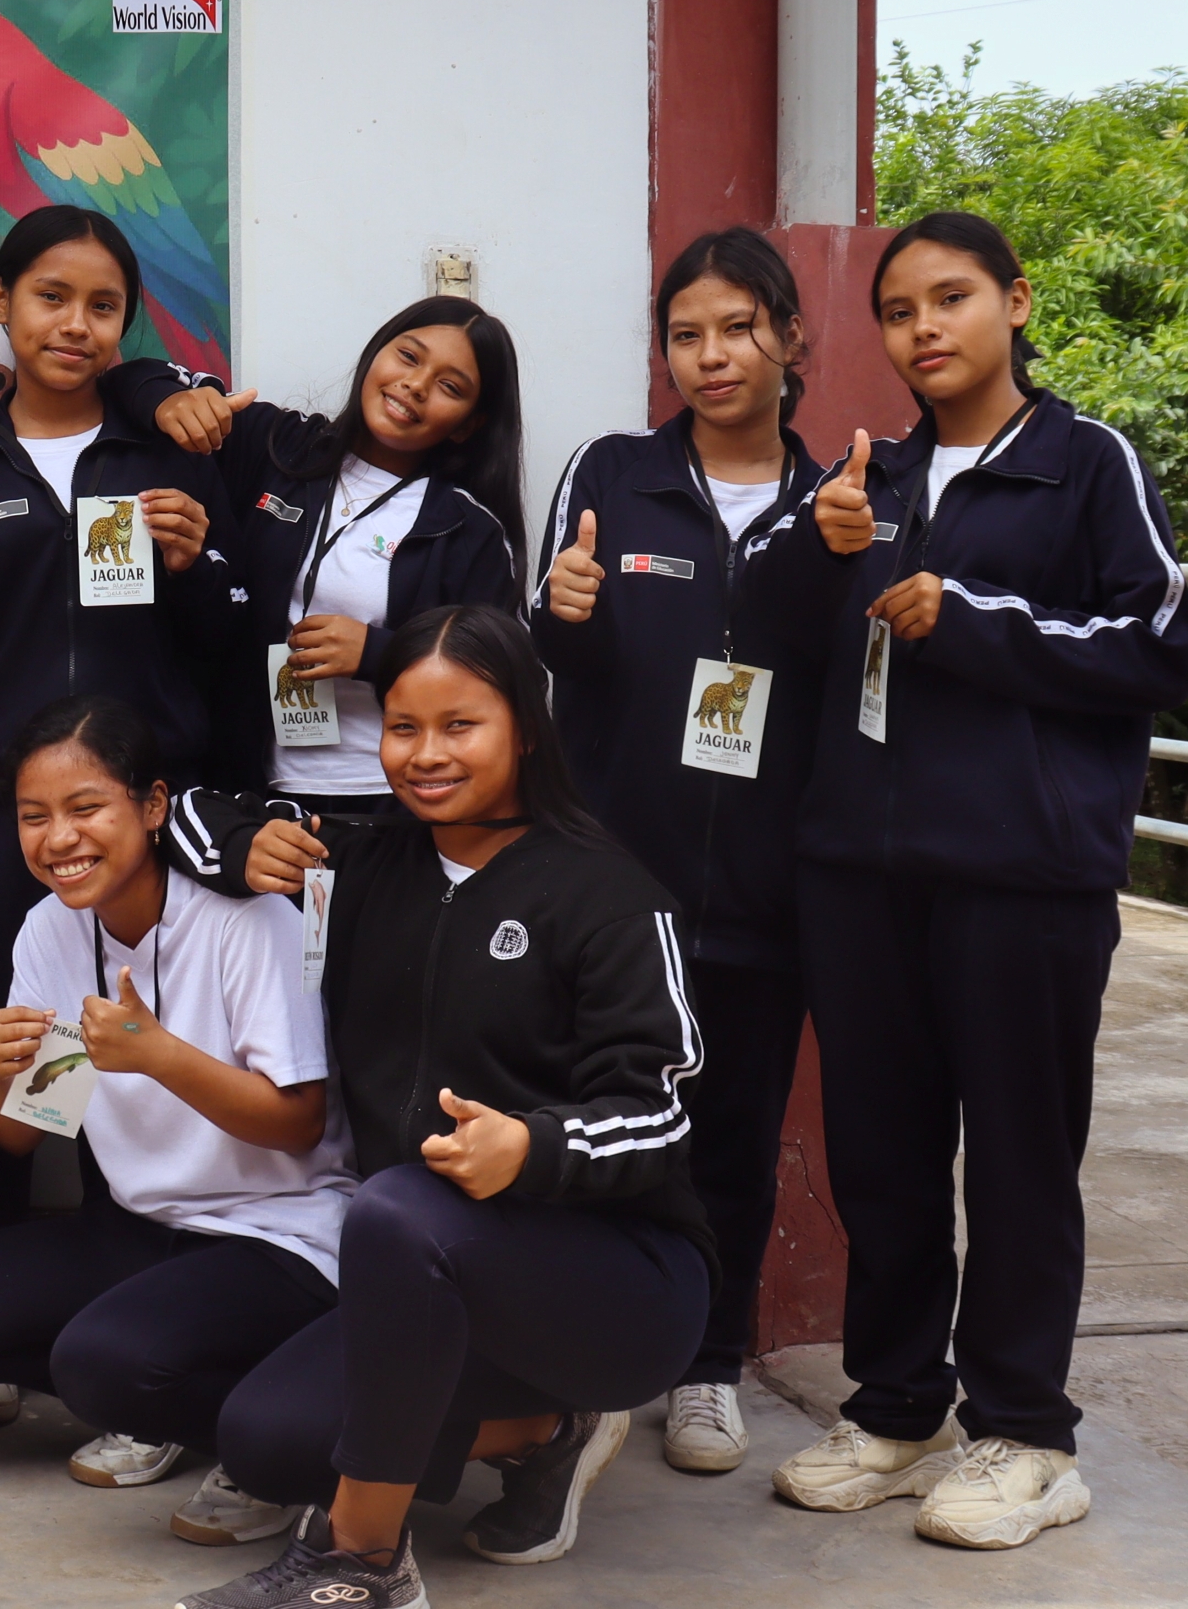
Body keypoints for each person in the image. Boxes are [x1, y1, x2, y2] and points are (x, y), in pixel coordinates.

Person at [763, 210, 1188, 1551]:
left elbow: (1158, 646)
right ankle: (897, 1407)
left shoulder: (1082, 463)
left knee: (1014, 1156)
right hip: (858, 869)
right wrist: (818, 550)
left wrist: (976, 619)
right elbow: (779, 654)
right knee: (879, 1155)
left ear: (1012, 302)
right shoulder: (862, 471)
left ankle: (1025, 1433)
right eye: (896, 310)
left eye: (950, 298)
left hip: (1020, 872)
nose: (923, 328)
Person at [166, 606, 712, 1609]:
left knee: (396, 1207)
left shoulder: (609, 894)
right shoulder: (366, 863)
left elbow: (664, 1113)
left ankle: (363, 1564)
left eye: (460, 725)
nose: (424, 755)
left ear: (527, 729)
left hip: (611, 1282)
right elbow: (183, 812)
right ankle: (550, 1433)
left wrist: (534, 1147)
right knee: (269, 1437)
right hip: (421, 1280)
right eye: (402, 726)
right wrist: (246, 844)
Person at [0, 206, 238, 1388]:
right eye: (49, 297)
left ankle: (160, 1323)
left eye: (102, 304)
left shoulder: (169, 452)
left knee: (162, 1048)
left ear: (126, 324)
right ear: (2, 303)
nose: (74, 324)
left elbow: (235, 644)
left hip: (149, 825)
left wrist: (194, 564)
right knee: (4, 1056)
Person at [0, 693, 351, 1547]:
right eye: (34, 816)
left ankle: (264, 1441)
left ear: (154, 806)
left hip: (279, 1232)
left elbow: (300, 1124)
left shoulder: (248, 919)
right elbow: (27, 1131)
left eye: (86, 807)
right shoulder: (49, 931)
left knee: (103, 1364)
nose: (60, 839)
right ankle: (164, 1391)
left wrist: (160, 1054)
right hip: (140, 1227)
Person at [533, 226, 854, 1473]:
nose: (710, 355)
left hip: (767, 896)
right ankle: (593, 1356)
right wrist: (560, 616)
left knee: (730, 1139)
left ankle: (707, 1363)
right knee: (594, 1125)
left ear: (789, 339)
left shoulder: (834, 501)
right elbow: (559, 660)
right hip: (618, 883)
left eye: (736, 327)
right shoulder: (611, 473)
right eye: (685, 333)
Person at [103, 296, 526, 816]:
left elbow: (504, 675)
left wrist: (377, 654)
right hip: (253, 795)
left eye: (449, 386)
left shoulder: (467, 529)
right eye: (409, 357)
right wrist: (169, 403)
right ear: (376, 355)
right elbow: (128, 378)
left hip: (392, 802)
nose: (416, 384)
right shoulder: (276, 447)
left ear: (466, 424)